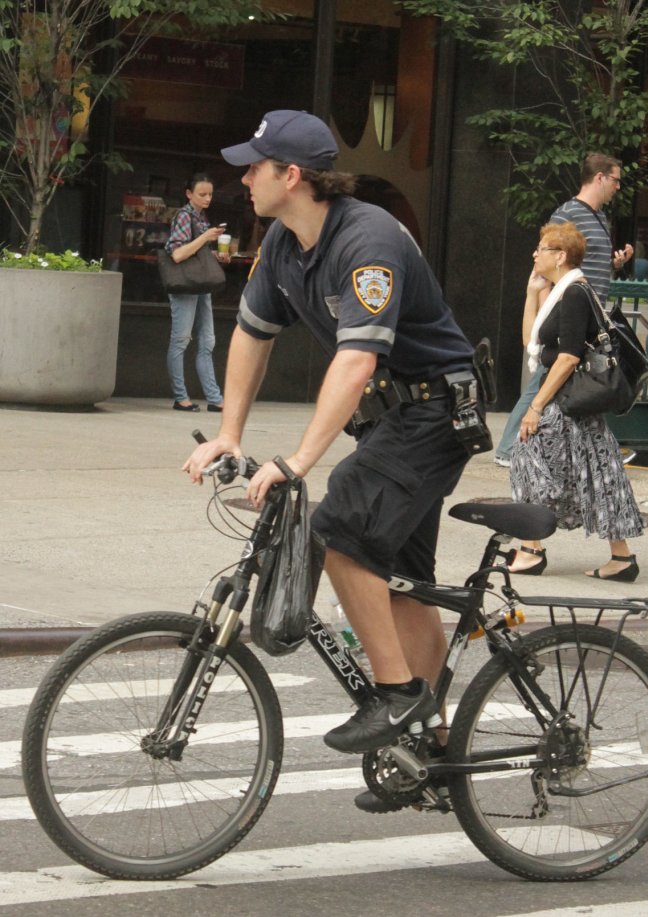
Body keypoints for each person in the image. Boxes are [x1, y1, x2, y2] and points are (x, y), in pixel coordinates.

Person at [182, 111, 479, 770]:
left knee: (341, 525)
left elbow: (356, 363)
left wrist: (296, 461)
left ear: (292, 175)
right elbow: (251, 336)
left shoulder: (366, 240)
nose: (244, 176)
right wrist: (230, 433)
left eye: (254, 165)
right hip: (392, 420)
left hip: (434, 412)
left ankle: (396, 692)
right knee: (403, 584)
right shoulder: (286, 245)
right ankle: (430, 752)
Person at [507, 221, 644, 580]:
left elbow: (567, 358)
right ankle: (622, 559)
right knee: (599, 472)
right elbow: (531, 344)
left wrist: (535, 407)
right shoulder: (558, 293)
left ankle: (531, 548)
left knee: (526, 454)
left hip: (568, 399)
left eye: (542, 248)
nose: (535, 253)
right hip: (573, 402)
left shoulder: (575, 294)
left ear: (561, 256)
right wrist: (529, 293)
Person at [494, 153, 634, 467]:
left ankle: (594, 446)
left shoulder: (599, 217)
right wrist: (546, 313)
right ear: (599, 177)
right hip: (569, 309)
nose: (618, 187)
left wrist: (614, 263)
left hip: (587, 311)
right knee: (553, 376)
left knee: (578, 377)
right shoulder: (567, 214)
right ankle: (509, 448)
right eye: (615, 180)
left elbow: (582, 260)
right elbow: (547, 262)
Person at [165, 172, 227, 412]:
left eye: (210, 194)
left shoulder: (201, 218)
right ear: (189, 194)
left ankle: (215, 398)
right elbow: (178, 254)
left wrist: (216, 254)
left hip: (201, 284)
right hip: (186, 286)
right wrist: (205, 237)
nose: (207, 199)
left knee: (207, 341)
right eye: (202, 194)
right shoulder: (183, 217)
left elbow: (195, 255)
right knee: (181, 340)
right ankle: (181, 397)